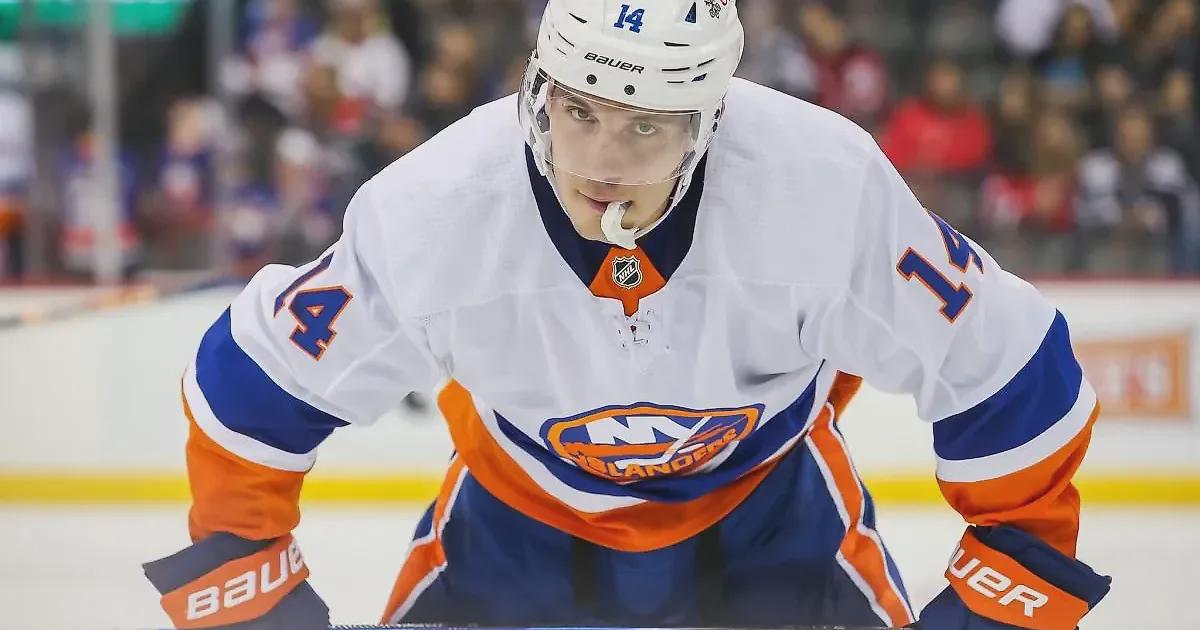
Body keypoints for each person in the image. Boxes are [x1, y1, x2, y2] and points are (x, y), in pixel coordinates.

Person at [142, 1, 1111, 628]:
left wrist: (1013, 578)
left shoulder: (820, 187)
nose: (600, 162)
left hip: (775, 530)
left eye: (645, 124)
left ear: (709, 122)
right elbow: (255, 383)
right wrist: (246, 580)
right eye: (580, 111)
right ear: (538, 91)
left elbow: (1006, 364)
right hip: (514, 533)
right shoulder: (438, 209)